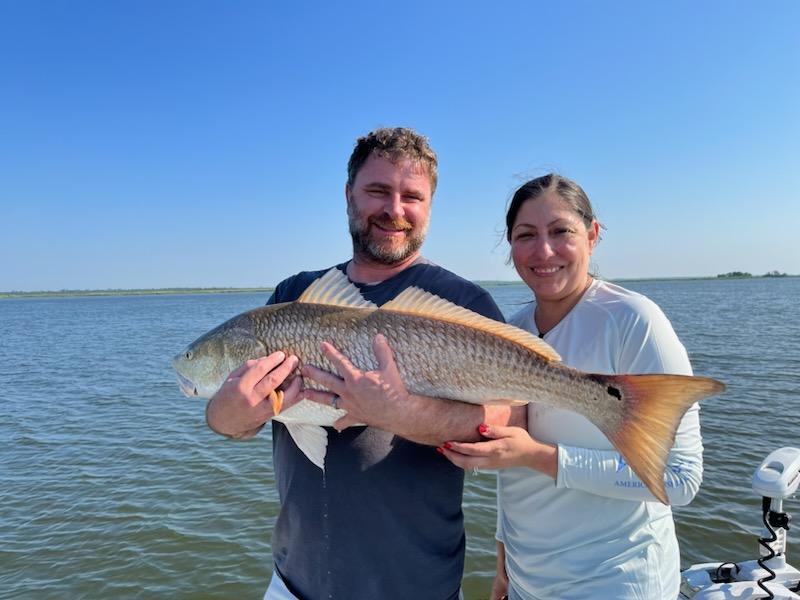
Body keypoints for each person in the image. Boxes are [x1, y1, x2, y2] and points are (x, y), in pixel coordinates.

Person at [205, 127, 523, 600]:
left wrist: (399, 413)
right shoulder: (292, 296)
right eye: (377, 191)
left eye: (411, 196)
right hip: (294, 584)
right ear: (348, 193)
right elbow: (225, 422)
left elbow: (513, 418)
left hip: (420, 588)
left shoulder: (462, 301)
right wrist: (233, 410)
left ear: (429, 206)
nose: (394, 210)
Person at [440, 174, 703, 600]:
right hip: (527, 581)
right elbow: (514, 471)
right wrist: (503, 560)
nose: (544, 251)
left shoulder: (634, 321)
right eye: (526, 235)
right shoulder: (511, 331)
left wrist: (539, 456)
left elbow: (679, 479)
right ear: (510, 246)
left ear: (592, 235)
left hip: (617, 581)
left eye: (561, 231)